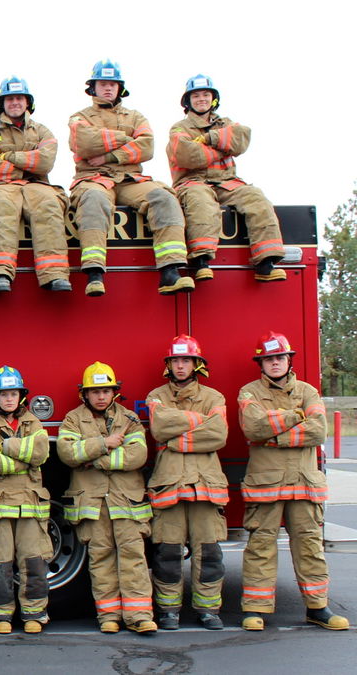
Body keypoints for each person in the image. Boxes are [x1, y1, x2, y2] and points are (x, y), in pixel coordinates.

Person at [237, 332, 349, 631]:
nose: (275, 363)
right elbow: (253, 427)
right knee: (260, 546)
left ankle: (318, 608)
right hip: (266, 485)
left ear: (289, 360)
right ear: (260, 363)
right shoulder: (248, 393)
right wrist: (295, 415)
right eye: (269, 359)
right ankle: (255, 609)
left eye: (279, 358)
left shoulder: (309, 391)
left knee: (310, 546)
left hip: (303, 483)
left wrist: (275, 437)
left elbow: (318, 431)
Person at [68, 60, 193, 297]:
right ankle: (94, 274)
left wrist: (110, 155)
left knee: (163, 197)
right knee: (94, 200)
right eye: (102, 84)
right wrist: (127, 138)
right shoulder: (79, 117)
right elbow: (84, 143)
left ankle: (170, 271)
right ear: (92, 88)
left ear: (119, 88)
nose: (108, 88)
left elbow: (147, 147)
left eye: (112, 84)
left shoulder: (136, 116)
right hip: (94, 178)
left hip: (130, 178)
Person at [57, 362, 157, 634]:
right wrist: (105, 443)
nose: (101, 396)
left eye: (106, 390)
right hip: (93, 503)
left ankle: (139, 616)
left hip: (126, 500)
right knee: (100, 557)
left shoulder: (130, 419)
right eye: (95, 391)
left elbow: (137, 456)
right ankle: (109, 616)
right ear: (85, 394)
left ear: (115, 392)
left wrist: (96, 460)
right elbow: (67, 454)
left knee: (133, 555)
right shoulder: (72, 420)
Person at [167, 75, 287, 282]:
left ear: (213, 98)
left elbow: (241, 139)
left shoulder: (226, 123)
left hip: (227, 182)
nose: (201, 99)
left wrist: (208, 138)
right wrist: (223, 147)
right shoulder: (179, 128)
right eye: (196, 96)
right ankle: (200, 261)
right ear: (188, 101)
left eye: (206, 94)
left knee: (256, 197)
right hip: (193, 182)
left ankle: (266, 262)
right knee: (201, 202)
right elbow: (188, 156)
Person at [144, 335, 228, 630]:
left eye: (186, 361)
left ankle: (208, 610)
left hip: (205, 485)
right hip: (170, 486)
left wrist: (176, 439)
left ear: (196, 364)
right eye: (175, 361)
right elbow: (159, 426)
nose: (180, 366)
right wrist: (199, 421)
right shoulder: (156, 397)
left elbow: (218, 434)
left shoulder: (214, 397)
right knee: (167, 552)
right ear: (168, 365)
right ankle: (169, 610)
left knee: (209, 553)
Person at [0, 366, 52, 634]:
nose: (9, 399)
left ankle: (34, 613)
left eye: (14, 393)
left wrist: (5, 447)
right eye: (4, 394)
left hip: (30, 505)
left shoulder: (33, 422)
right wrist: (24, 461)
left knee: (34, 560)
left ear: (21, 396)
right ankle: (0, 616)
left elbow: (40, 453)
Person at [0, 76, 71, 293]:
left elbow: (45, 163)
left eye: (19, 98)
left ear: (28, 102)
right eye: (9, 99)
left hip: (38, 185)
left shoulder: (42, 131)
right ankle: (0, 272)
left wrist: (7, 156)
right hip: (2, 186)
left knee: (49, 207)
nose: (15, 103)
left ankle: (54, 274)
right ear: (1, 104)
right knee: (2, 210)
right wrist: (29, 163)